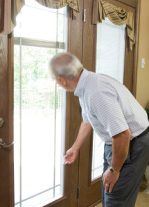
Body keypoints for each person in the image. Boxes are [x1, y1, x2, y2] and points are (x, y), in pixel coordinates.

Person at [54, 52, 149, 206]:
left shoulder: (96, 92)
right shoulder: (86, 84)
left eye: (55, 81)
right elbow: (88, 120)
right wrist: (75, 147)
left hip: (132, 143)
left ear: (61, 80)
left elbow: (123, 135)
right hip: (119, 142)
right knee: (108, 192)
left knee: (115, 197)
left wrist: (114, 170)